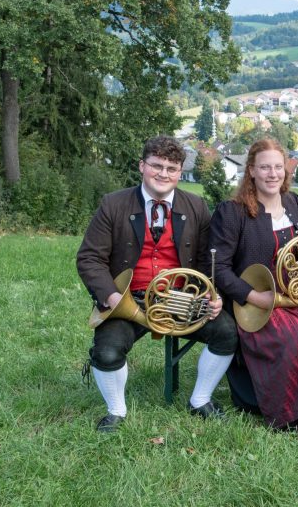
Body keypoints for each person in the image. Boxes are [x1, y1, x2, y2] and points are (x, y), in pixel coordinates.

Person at [77, 135, 237, 432]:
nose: (163, 174)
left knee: (227, 333)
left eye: (172, 168)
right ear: (142, 166)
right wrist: (111, 297)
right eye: (156, 166)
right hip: (129, 299)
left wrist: (213, 295)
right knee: (106, 352)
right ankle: (116, 411)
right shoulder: (113, 205)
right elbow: (89, 258)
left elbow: (207, 261)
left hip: (181, 299)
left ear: (179, 173)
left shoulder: (197, 206)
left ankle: (200, 400)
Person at [208, 138, 298, 429]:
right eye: (264, 168)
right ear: (251, 171)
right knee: (293, 336)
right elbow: (219, 269)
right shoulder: (232, 211)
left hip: (295, 292)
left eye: (278, 167)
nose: (272, 174)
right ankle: (288, 409)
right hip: (256, 300)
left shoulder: (294, 203)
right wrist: (252, 296)